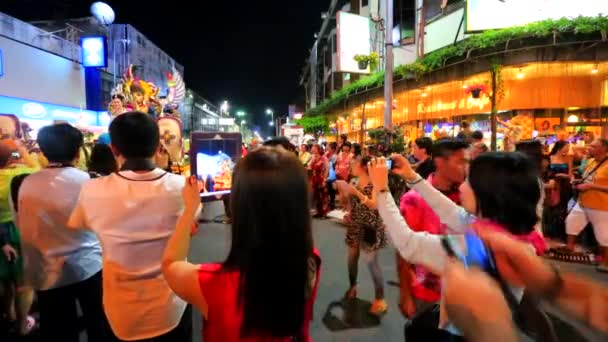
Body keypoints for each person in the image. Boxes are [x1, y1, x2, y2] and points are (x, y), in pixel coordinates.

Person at [367, 155, 608, 337]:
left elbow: (408, 244)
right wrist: (413, 178)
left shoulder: (474, 248)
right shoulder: (514, 234)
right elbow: (454, 215)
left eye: (469, 181)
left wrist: (382, 190)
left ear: (487, 195)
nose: (461, 185)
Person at [162, 147, 321, 342]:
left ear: (240, 206)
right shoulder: (310, 259)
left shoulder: (211, 283)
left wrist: (189, 210)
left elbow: (170, 264)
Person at [68, 112, 190, 341]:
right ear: (158, 146)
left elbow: (80, 224)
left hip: (121, 311)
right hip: (171, 304)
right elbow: (191, 221)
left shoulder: (92, 189)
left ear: (114, 149)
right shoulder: (181, 186)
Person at [18, 124, 106, 342]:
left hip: (46, 269)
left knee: (58, 327)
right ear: (78, 152)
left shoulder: (24, 183)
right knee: (99, 321)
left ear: (42, 151)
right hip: (89, 265)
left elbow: (24, 226)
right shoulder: (91, 181)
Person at [398, 139, 468, 318]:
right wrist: (405, 294)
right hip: (426, 292)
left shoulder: (467, 196)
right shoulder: (414, 199)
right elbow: (404, 248)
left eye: (467, 162)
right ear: (440, 162)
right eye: (460, 161)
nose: (466, 167)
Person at [335, 155, 387, 315]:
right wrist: (344, 196)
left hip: (370, 225)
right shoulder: (354, 180)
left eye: (355, 162)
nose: (351, 164)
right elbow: (348, 201)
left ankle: (380, 299)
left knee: (371, 262)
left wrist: (355, 192)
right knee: (352, 258)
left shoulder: (376, 182)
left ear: (364, 166)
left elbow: (374, 205)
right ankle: (353, 286)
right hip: (356, 223)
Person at [0, 141, 37, 336]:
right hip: (14, 230)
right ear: (9, 158)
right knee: (24, 283)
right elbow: (38, 168)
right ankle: (23, 326)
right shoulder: (14, 174)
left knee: (5, 280)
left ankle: (9, 314)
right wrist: (23, 150)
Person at [566, 138, 608, 272]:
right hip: (583, 201)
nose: (589, 148)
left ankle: (606, 262)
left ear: (604, 149)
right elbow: (586, 177)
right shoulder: (590, 161)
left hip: (600, 205)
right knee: (571, 223)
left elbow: (593, 183)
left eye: (594, 146)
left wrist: (591, 186)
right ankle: (569, 249)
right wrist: (578, 181)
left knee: (603, 235)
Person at [310, 144, 329, 219]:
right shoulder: (313, 157)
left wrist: (325, 179)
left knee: (323, 196)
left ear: (319, 149)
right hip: (315, 178)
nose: (313, 149)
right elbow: (310, 168)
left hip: (321, 178)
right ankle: (319, 212)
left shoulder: (323, 157)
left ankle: (324, 213)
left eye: (314, 148)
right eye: (312, 148)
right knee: (317, 196)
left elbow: (327, 169)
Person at [325, 142, 338, 210]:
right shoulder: (328, 155)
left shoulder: (334, 156)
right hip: (328, 173)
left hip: (331, 174)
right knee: (329, 188)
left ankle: (332, 202)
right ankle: (330, 202)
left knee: (331, 188)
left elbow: (332, 165)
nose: (327, 148)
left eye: (329, 147)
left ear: (332, 149)